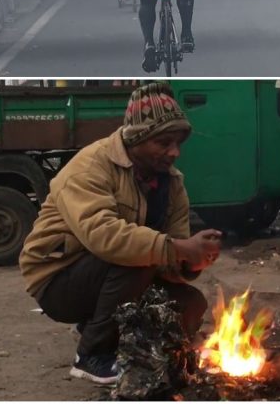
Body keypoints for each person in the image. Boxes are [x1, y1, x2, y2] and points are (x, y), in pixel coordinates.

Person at [19, 82, 222, 385]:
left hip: (116, 274)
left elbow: (169, 255)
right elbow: (104, 236)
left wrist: (192, 259)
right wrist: (177, 247)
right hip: (58, 280)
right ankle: (91, 355)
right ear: (137, 138)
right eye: (164, 142)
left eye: (178, 142)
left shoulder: (172, 183)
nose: (174, 152)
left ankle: (122, 341)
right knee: (134, 258)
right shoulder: (90, 165)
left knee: (191, 304)